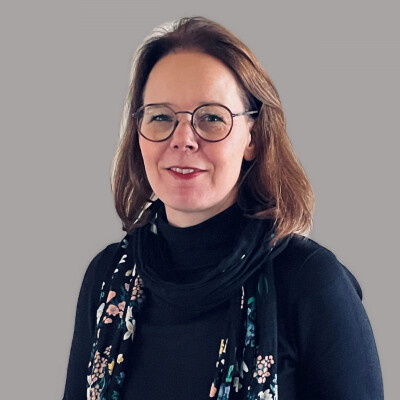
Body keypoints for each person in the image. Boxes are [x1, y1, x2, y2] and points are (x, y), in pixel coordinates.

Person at [62, 16, 384, 400]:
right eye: (161, 116)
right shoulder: (106, 277)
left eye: (212, 118)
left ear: (253, 138)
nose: (183, 139)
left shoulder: (310, 281)